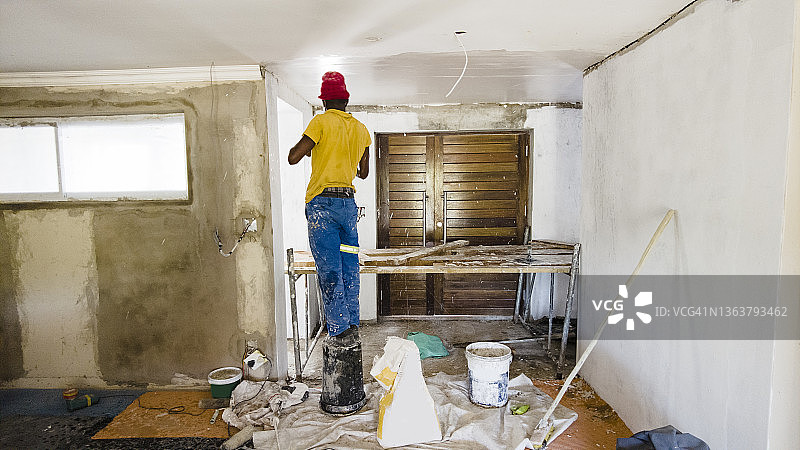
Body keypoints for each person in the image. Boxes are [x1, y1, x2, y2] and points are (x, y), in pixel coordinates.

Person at [288, 71, 370, 414]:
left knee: (329, 269)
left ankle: (336, 330)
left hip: (322, 207)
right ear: (346, 100)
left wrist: (314, 149)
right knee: (350, 263)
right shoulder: (360, 129)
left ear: (323, 100)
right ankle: (350, 321)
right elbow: (363, 172)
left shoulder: (320, 123)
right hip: (348, 208)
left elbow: (294, 155)